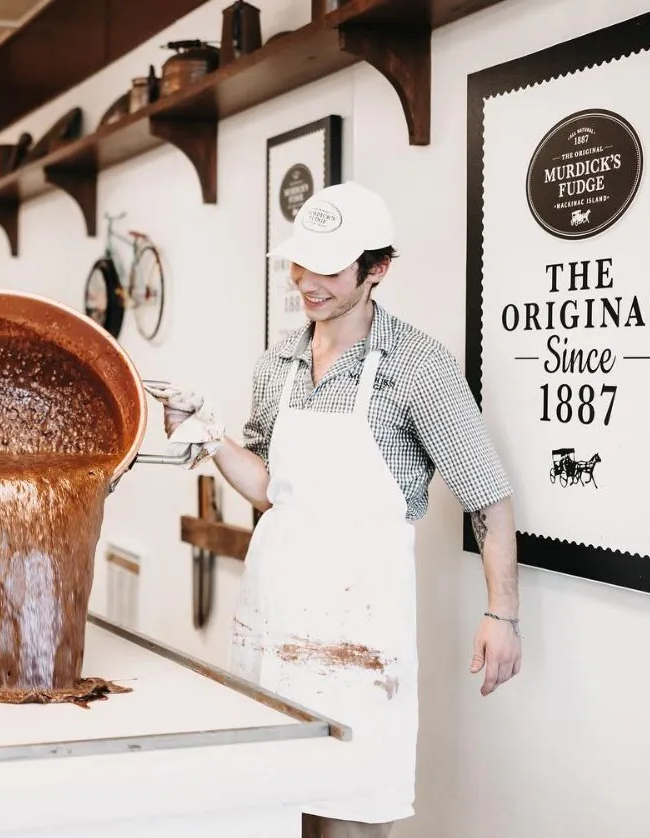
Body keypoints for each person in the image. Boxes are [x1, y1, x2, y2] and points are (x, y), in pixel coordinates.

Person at [157, 182, 522, 838]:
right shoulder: (277, 365)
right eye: (301, 263)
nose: (306, 281)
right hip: (273, 618)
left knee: (349, 816)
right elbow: (272, 488)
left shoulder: (418, 367)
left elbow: (487, 495)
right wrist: (209, 435)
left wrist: (502, 614)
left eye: (328, 267)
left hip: (362, 631)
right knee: (272, 808)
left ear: (376, 270)